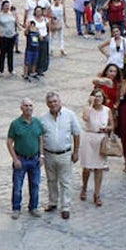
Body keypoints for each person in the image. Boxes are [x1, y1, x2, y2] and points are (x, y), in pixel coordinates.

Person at [40, 91, 82, 219]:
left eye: (55, 101)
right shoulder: (42, 118)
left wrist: (76, 152)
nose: (53, 104)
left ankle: (65, 206)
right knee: (51, 179)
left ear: (60, 102)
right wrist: (41, 155)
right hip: (49, 154)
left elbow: (76, 133)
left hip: (65, 153)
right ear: (47, 104)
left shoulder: (69, 115)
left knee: (65, 181)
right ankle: (53, 202)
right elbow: (40, 137)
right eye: (50, 102)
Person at [7, 98, 44, 218]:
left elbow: (41, 139)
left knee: (35, 185)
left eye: (30, 105)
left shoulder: (37, 122)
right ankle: (16, 208)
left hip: (34, 159)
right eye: (26, 106)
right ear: (21, 108)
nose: (28, 108)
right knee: (17, 186)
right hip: (21, 159)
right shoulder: (15, 124)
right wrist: (15, 159)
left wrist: (42, 155)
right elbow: (9, 142)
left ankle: (33, 207)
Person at [78, 89, 114, 208]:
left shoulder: (107, 110)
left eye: (100, 96)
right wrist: (89, 104)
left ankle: (97, 194)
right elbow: (86, 118)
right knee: (87, 168)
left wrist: (107, 129)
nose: (98, 99)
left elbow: (112, 125)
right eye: (96, 96)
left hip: (101, 139)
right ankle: (84, 187)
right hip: (89, 138)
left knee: (99, 168)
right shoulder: (88, 109)